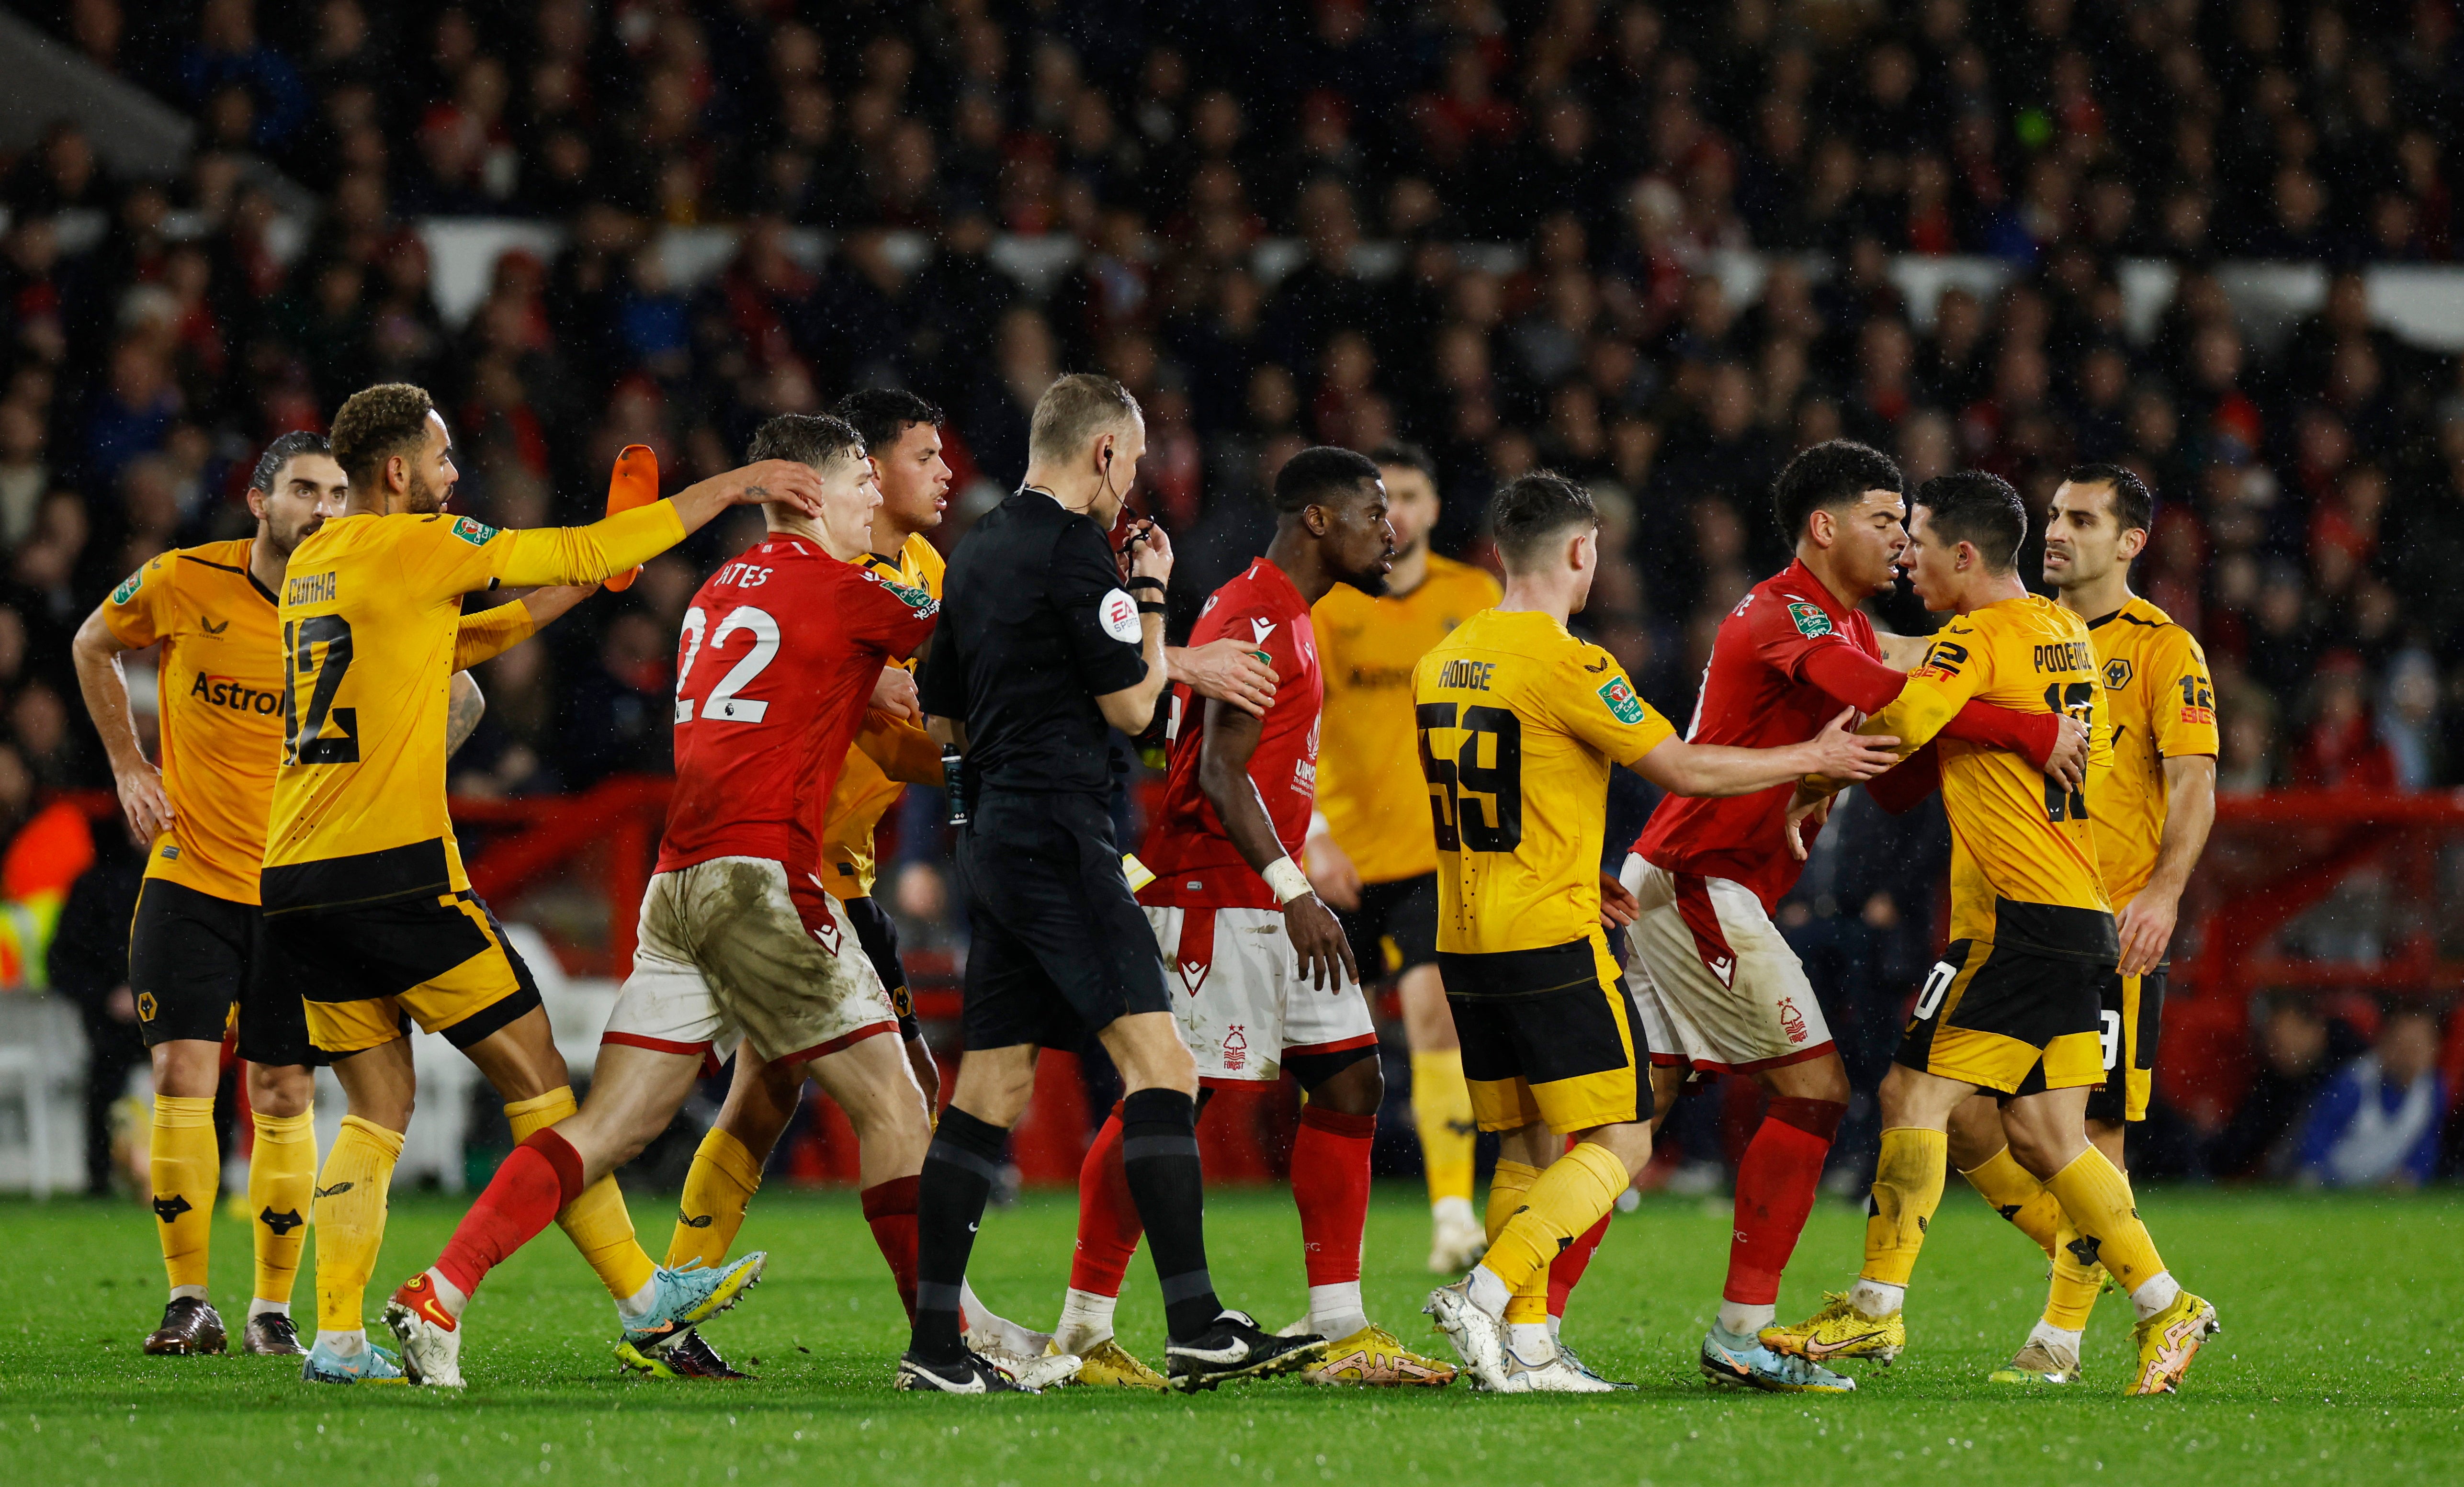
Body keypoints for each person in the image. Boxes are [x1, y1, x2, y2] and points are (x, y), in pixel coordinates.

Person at [260, 383, 821, 1384]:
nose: (453, 471)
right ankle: (644, 1296)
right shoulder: (420, 538)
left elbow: (473, 638)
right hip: (396, 875)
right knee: (540, 1084)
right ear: (396, 474)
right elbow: (568, 548)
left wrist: (593, 577)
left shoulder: (319, 561)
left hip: (297, 875)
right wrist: (733, 484)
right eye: (440, 456)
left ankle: (338, 1339)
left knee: (374, 1103)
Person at [383, 411, 948, 1389]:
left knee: (608, 1127)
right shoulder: (849, 590)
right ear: (808, 494)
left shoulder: (716, 591)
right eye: (860, 478)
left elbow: (795, 686)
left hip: (677, 881)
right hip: (763, 880)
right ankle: (944, 1348)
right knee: (900, 1109)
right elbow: (982, 654)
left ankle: (442, 1287)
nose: (874, 496)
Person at [67, 431, 584, 1359]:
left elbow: (456, 692)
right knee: (183, 1072)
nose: (324, 507)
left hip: (292, 884)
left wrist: (383, 780)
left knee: (283, 1085)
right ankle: (190, 1299)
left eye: (338, 491)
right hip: (191, 869)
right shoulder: (186, 578)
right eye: (305, 489)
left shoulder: (355, 588)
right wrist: (128, 763)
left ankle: (270, 1307)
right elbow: (92, 640)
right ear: (260, 501)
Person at [1610, 440, 2084, 1393]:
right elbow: (1882, 702)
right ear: (1823, 527)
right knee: (1818, 1090)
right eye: (1884, 521)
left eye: (1909, 525)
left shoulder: (1854, 627)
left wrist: (1877, 753)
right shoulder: (1786, 606)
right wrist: (2029, 729)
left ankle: (1510, 1306)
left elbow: (1898, 772)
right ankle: (1737, 1331)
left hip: (1705, 877)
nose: (1901, 542)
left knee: (1636, 1106)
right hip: (1694, 874)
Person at [1417, 472, 1900, 1395]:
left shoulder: (1443, 657)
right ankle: (1489, 1295)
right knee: (1630, 1137)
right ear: (1579, 552)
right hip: (1553, 932)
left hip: (1468, 926)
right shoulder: (1576, 662)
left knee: (1529, 1141)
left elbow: (1479, 790)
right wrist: (1815, 757)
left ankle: (1528, 1345)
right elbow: (1678, 765)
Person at [904, 372, 1326, 1393]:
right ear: (1101, 452)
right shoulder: (1069, 549)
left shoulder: (977, 551)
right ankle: (1195, 1323)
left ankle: (932, 1345)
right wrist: (1151, 603)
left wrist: (973, 823)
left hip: (997, 837)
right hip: (1058, 833)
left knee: (990, 1087)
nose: (1130, 477)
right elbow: (1136, 709)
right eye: (1129, 459)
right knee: (1165, 1070)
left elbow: (939, 713)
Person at [1761, 472, 2219, 1398]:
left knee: (1910, 1090)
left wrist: (1809, 778)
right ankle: (2163, 1301)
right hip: (2073, 912)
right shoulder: (2057, 634)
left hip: (2014, 917)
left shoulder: (1981, 635)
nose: (1905, 559)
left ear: (1963, 556)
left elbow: (1901, 720)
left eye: (1918, 543)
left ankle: (1874, 1301)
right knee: (2046, 1129)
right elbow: (1935, 679)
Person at [649, 388, 1060, 1385]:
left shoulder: (919, 569)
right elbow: (896, 725)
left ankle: (668, 1299)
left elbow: (924, 732)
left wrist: (973, 762)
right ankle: (945, 1325)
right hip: (790, 873)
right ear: (863, 479)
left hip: (831, 869)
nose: (942, 473)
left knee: (770, 1092)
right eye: (920, 457)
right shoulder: (841, 578)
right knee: (891, 1097)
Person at [1056, 445, 1454, 1389]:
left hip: (1267, 890)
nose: (1388, 529)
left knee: (1351, 1077)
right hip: (1216, 890)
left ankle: (1338, 1324)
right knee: (1168, 1098)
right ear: (1316, 519)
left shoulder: (1293, 613)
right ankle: (1081, 1323)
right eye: (1370, 512)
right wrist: (1295, 885)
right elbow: (1213, 772)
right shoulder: (1253, 608)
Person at [1940, 462, 2220, 1386]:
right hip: (2002, 917)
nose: (2058, 532)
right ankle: (2124, 1266)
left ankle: (2060, 1338)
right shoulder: (2016, 631)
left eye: (2083, 520)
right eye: (2055, 515)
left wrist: (2165, 895)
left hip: (2105, 920)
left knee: (2087, 1132)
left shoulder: (2160, 649)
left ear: (2130, 543)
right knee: (1978, 1125)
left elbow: (2193, 783)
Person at [1303, 440, 1502, 1273]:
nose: (1402, 515)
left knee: (1435, 1016)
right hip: (1340, 858)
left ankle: (1453, 1212)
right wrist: (1311, 833)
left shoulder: (1476, 597)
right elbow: (1295, 729)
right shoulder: (1330, 607)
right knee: (1314, 1047)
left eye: (1412, 497)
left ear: (1434, 507)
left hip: (1434, 856)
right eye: (1387, 500)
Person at [2295, 1006, 2449, 1188]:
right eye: (2403, 1044)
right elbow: (2317, 1137)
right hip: (2333, 1187)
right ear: (2384, 1044)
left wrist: (2410, 1176)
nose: (2410, 1055)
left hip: (2382, 1192)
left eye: (2419, 1044)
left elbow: (2426, 1147)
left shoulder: (2433, 1090)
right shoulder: (2355, 1083)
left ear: (2434, 1048)